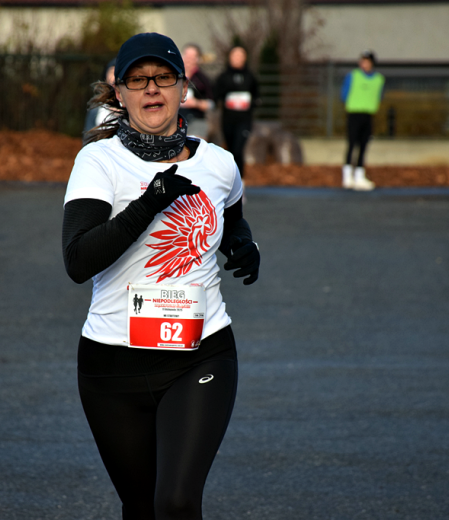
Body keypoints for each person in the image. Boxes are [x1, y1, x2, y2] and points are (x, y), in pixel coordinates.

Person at [64, 32, 260, 520]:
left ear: (183, 88)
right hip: (112, 367)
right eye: (137, 79)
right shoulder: (98, 161)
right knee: (141, 506)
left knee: (174, 503)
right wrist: (151, 201)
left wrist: (243, 243)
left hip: (200, 354)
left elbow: (232, 214)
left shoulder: (219, 163)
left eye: (163, 77)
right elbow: (78, 260)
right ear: (120, 93)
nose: (151, 88)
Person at [340, 50, 384, 191]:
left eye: (366, 61)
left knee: (363, 145)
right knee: (351, 143)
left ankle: (359, 175)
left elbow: (379, 96)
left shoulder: (379, 79)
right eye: (362, 61)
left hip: (368, 115)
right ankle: (347, 176)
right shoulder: (353, 76)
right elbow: (344, 94)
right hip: (354, 113)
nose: (363, 64)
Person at [214, 46, 259, 177]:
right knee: (230, 151)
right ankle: (231, 181)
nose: (237, 59)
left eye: (241, 56)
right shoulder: (223, 77)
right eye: (235, 56)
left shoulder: (250, 77)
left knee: (238, 150)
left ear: (245, 58)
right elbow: (216, 96)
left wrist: (249, 102)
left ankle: (240, 183)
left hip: (244, 120)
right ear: (230, 57)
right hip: (228, 120)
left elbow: (257, 96)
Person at [179, 44, 214, 140]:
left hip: (196, 120)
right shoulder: (173, 76)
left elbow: (211, 104)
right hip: (175, 120)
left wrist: (196, 103)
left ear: (198, 59)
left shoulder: (203, 79)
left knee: (195, 149)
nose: (189, 59)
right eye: (187, 55)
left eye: (192, 56)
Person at [82, 58, 118, 140]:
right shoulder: (96, 109)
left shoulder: (133, 108)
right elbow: (88, 139)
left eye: (118, 73)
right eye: (112, 73)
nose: (115, 78)